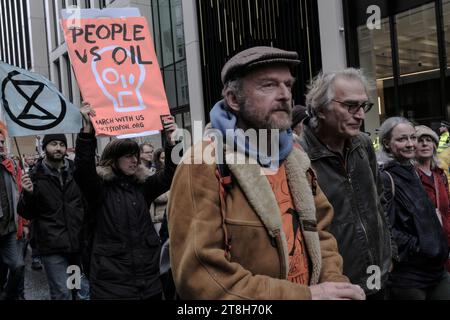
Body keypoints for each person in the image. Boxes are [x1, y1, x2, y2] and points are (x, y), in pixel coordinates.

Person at [168, 46, 365, 300]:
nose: (284, 95)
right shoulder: (202, 164)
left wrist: (335, 287)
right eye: (268, 85)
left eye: (287, 85)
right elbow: (201, 278)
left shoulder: (295, 157)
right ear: (234, 99)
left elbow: (322, 235)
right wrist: (306, 296)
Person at [298, 69, 393, 299]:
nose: (360, 115)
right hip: (336, 284)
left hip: (379, 275)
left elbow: (379, 202)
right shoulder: (298, 156)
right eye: (351, 106)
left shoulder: (363, 144)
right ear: (320, 109)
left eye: (364, 106)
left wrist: (391, 254)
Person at [74, 102, 179, 300]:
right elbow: (82, 171)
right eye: (128, 156)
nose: (134, 161)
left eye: (136, 157)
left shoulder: (142, 186)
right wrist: (87, 132)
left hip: (148, 280)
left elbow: (170, 175)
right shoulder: (99, 189)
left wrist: (171, 142)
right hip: (112, 283)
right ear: (113, 159)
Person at [378, 117, 450, 300]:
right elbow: (387, 228)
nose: (411, 144)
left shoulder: (412, 171)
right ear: (387, 143)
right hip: (409, 276)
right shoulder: (386, 178)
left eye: (412, 138)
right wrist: (421, 247)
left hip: (435, 269)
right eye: (402, 139)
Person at [18, 134, 89, 300]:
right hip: (52, 247)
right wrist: (28, 195)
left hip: (76, 245)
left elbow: (86, 204)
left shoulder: (76, 173)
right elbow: (25, 212)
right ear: (44, 148)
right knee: (62, 294)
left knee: (76, 290)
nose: (58, 148)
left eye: (61, 144)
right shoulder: (34, 176)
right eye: (53, 144)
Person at [414, 125, 450, 272]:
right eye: (420, 140)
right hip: (422, 250)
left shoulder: (440, 175)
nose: (424, 144)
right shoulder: (409, 176)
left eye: (429, 140)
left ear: (434, 145)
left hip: (445, 242)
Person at [0, 131, 25, 300]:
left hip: (9, 228)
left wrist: (25, 223)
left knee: (17, 265)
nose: (1, 145)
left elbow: (19, 195)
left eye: (2, 142)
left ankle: (9, 295)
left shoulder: (11, 165)